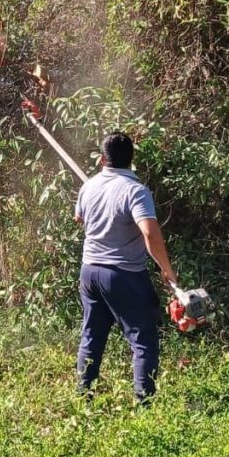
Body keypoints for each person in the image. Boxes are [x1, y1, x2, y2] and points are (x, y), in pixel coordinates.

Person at [75, 131, 178, 403]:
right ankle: (145, 405)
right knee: (144, 339)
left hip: (90, 272)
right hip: (122, 275)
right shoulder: (136, 191)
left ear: (101, 159)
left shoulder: (89, 186)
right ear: (131, 159)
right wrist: (167, 269)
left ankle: (83, 399)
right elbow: (150, 234)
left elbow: (79, 219)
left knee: (92, 335)